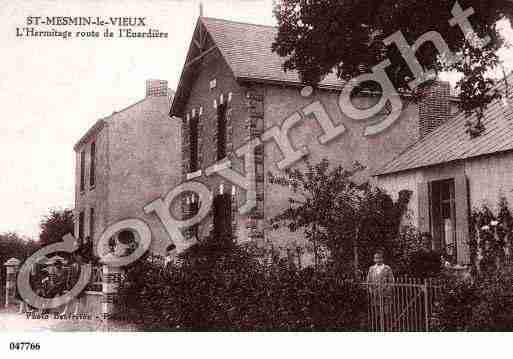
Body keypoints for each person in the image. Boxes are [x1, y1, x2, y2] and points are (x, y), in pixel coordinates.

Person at [367, 250, 394, 330]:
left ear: (382, 259)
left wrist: (387, 291)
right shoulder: (371, 269)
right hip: (375, 296)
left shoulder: (387, 268)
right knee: (377, 314)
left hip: (385, 296)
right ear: (374, 259)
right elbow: (368, 282)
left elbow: (391, 281)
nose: (377, 260)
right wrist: (371, 291)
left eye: (379, 258)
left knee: (386, 314)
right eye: (376, 258)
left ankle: (387, 329)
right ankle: (377, 329)